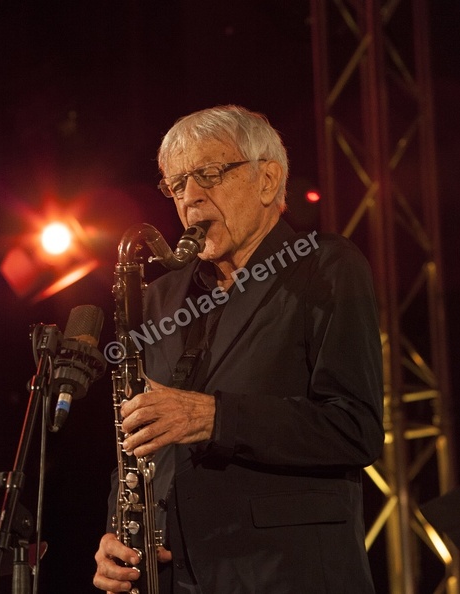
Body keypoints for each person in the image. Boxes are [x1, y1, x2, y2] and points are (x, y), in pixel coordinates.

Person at [93, 105, 384, 593]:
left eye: (208, 174)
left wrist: (216, 417)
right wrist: (116, 538)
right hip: (176, 577)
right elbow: (139, 438)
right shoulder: (161, 297)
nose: (189, 199)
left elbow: (356, 428)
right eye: (176, 184)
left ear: (268, 180)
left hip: (288, 574)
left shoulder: (325, 267)